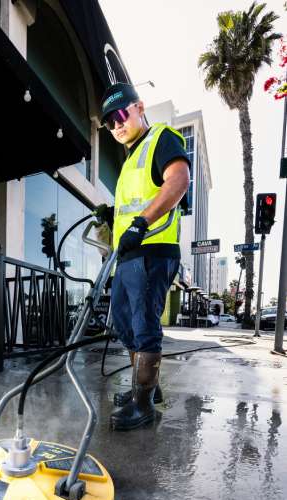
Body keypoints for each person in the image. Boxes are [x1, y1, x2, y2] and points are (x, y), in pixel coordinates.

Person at [97, 82, 190, 431]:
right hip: (129, 255)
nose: (117, 125)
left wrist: (142, 223)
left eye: (121, 114)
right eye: (110, 122)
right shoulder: (131, 157)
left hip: (153, 249)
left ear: (139, 107)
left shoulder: (160, 139)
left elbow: (178, 181)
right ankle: (146, 387)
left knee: (143, 325)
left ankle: (143, 406)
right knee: (123, 321)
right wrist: (115, 219)